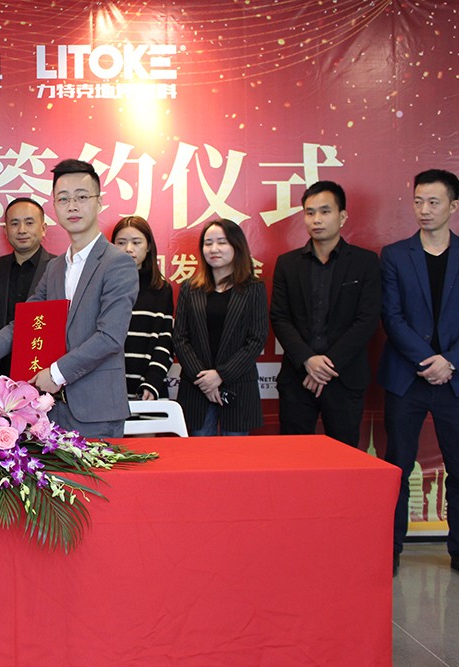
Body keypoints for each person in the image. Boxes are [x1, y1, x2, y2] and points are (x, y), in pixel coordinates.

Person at [0, 159, 138, 438]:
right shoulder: (55, 267)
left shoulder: (117, 263)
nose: (72, 206)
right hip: (50, 411)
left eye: (82, 197)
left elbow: (110, 337)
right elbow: (23, 326)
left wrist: (56, 373)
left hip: (96, 411)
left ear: (99, 202)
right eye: (63, 198)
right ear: (55, 206)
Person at [379, 168, 459, 576]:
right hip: (407, 377)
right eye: (418, 201)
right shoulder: (395, 255)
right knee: (398, 464)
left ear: (453, 206)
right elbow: (391, 318)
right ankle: (390, 548)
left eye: (433, 202)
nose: (424, 210)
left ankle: (458, 550)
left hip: (454, 378)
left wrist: (450, 360)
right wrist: (428, 360)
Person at [270, 181, 381, 447]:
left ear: (342, 216)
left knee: (344, 458)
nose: (316, 219)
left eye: (325, 211)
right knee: (294, 456)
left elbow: (367, 320)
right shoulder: (288, 263)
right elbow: (280, 317)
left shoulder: (365, 262)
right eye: (309, 213)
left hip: (345, 378)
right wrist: (308, 360)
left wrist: (327, 366)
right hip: (298, 378)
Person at [174, 219, 267, 436]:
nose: (214, 249)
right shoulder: (190, 288)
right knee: (199, 454)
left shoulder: (254, 289)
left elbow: (256, 339)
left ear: (237, 246)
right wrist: (205, 380)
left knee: (234, 455)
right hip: (197, 388)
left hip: (238, 387)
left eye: (222, 242)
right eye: (208, 243)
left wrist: (221, 375)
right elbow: (180, 338)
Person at [0, 197, 54, 378]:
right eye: (14, 223)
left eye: (29, 223)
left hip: (42, 373)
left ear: (43, 228)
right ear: (5, 231)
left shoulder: (59, 268)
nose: (22, 230)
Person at [110, 215, 174, 400]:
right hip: (108, 387)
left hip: (147, 389)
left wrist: (153, 381)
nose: (128, 249)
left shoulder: (161, 289)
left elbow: (165, 340)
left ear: (149, 246)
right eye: (121, 242)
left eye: (136, 242)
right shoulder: (103, 286)